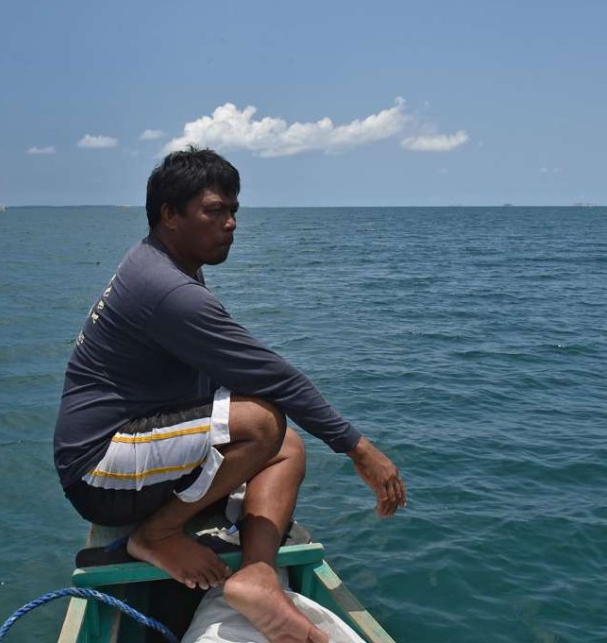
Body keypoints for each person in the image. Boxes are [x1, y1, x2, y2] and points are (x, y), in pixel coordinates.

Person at [54, 147, 406, 642]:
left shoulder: (166, 266)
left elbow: (241, 373)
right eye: (215, 210)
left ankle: (257, 575)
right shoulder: (168, 291)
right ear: (169, 216)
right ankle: (155, 535)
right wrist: (359, 448)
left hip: (134, 448)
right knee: (261, 423)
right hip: (100, 471)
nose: (231, 223)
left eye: (234, 210)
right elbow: (272, 376)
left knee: (285, 444)